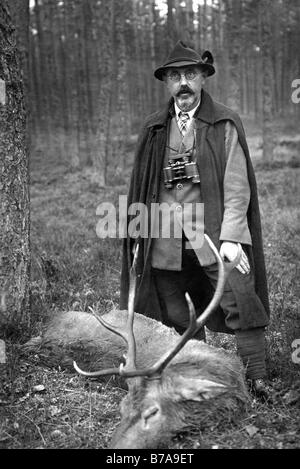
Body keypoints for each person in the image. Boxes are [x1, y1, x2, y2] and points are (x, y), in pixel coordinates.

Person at [120, 41, 271, 397]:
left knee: (241, 298)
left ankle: (257, 377)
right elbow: (142, 187)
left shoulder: (223, 123)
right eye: (175, 77)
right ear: (166, 83)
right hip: (165, 240)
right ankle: (195, 372)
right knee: (176, 312)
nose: (183, 84)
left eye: (190, 74)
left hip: (214, 235)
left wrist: (233, 237)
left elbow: (237, 186)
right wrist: (140, 235)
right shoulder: (154, 128)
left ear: (202, 77)